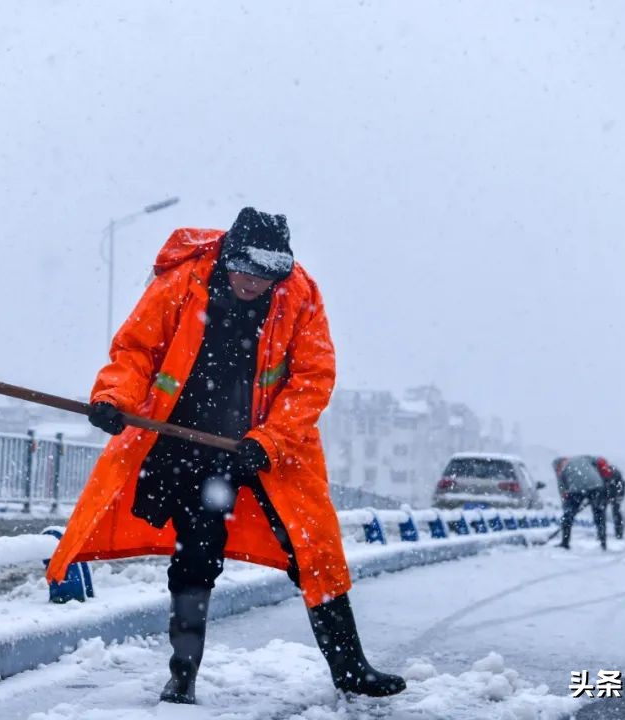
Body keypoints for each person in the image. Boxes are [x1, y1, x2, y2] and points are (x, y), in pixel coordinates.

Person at [45, 207, 405, 703]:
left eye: (265, 278)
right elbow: (135, 351)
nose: (253, 284)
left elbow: (311, 379)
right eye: (245, 272)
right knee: (195, 558)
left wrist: (271, 440)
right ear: (228, 256)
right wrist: (114, 398)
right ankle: (183, 676)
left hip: (270, 447)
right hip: (188, 443)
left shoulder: (300, 295)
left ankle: (350, 669)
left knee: (314, 550)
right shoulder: (182, 282)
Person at [551, 455, 608, 550]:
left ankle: (565, 542)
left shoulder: (562, 472)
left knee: (568, 516)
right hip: (597, 484)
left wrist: (567, 512)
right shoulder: (583, 458)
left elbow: (563, 494)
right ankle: (603, 541)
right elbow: (600, 462)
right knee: (599, 513)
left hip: (576, 489)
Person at [595, 457, 625, 540]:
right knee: (601, 513)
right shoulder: (597, 473)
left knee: (616, 512)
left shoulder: (615, 473)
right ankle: (601, 534)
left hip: (615, 495)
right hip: (604, 495)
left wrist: (619, 496)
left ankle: (619, 534)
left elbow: (621, 485)